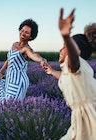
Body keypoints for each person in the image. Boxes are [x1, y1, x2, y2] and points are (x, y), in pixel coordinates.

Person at [43, 8, 96, 139]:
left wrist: (66, 36)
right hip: (80, 121)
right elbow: (67, 79)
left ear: (76, 52)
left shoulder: (74, 63)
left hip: (91, 121)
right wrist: (51, 71)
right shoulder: (73, 72)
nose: (61, 49)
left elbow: (73, 60)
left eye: (64, 46)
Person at [0, 19, 46, 104]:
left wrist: (41, 59)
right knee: (4, 103)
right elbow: (9, 59)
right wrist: (1, 71)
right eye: (22, 30)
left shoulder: (27, 49)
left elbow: (33, 55)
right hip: (9, 78)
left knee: (11, 106)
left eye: (26, 32)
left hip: (18, 81)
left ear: (31, 36)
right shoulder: (14, 44)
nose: (23, 33)